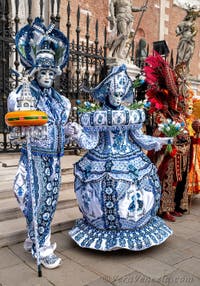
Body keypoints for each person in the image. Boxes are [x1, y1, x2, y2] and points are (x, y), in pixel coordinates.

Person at [66, 64, 172, 251]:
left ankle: (135, 224)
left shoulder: (128, 115)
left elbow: (140, 139)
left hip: (132, 158)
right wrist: (76, 133)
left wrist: (162, 140)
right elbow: (90, 142)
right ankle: (103, 227)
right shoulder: (98, 116)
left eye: (121, 93)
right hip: (100, 159)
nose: (118, 97)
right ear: (107, 91)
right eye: (115, 92)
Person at [7, 18, 71, 269]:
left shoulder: (60, 101)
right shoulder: (24, 94)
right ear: (35, 72)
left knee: (48, 202)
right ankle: (39, 243)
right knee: (33, 198)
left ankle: (39, 241)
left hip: (53, 160)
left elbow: (62, 125)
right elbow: (17, 116)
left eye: (50, 73)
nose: (46, 77)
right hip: (33, 157)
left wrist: (72, 132)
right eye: (42, 72)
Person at [144, 53, 191, 222]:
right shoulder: (161, 109)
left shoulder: (177, 109)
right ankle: (163, 209)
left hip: (182, 148)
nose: (176, 100)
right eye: (174, 97)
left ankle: (176, 204)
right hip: (166, 149)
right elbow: (159, 127)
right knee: (166, 178)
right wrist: (169, 134)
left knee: (178, 178)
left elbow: (185, 115)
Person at [176, 6, 200, 73]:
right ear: (190, 16)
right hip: (184, 39)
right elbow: (178, 28)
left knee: (190, 53)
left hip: (190, 40)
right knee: (181, 53)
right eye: (193, 16)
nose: (194, 18)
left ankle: (185, 67)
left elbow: (195, 31)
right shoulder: (184, 23)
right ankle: (179, 67)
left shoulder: (193, 24)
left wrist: (192, 35)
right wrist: (178, 32)